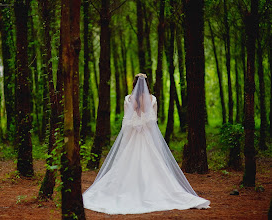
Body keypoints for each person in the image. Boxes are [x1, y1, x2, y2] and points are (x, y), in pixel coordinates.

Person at [83, 73, 210, 214]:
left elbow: (126, 122)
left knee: (128, 164)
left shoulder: (128, 99)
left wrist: (135, 124)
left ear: (134, 84)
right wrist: (142, 122)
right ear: (147, 83)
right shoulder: (152, 99)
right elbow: (152, 123)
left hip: (134, 138)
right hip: (147, 138)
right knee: (153, 165)